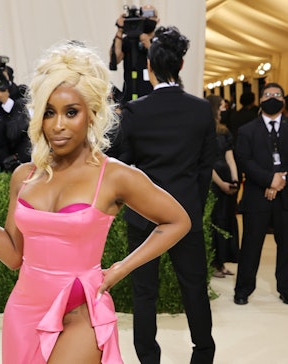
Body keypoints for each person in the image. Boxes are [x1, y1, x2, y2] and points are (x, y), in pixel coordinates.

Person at [0, 41, 191, 363]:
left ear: (92, 114)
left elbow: (177, 220)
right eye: (48, 112)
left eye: (70, 112)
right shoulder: (24, 175)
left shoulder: (115, 176)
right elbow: (14, 256)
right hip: (24, 310)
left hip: (81, 309)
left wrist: (119, 269)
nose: (58, 125)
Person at [116, 26, 216, 363]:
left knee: (145, 294)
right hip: (186, 215)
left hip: (143, 218)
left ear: (149, 67)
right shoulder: (202, 110)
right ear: (182, 65)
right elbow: (205, 168)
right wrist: (191, 209)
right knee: (194, 290)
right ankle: (203, 354)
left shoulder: (134, 111)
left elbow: (122, 166)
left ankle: (148, 360)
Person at [234, 82, 288, 305]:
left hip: (285, 196)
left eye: (277, 94)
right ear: (261, 99)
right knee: (251, 244)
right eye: (267, 94)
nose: (272, 97)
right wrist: (269, 179)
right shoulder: (247, 130)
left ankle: (285, 288)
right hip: (257, 196)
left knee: (286, 245)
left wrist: (281, 180)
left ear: (283, 100)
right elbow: (244, 160)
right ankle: (243, 290)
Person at [206, 94, 239, 278]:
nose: (224, 110)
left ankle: (223, 261)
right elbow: (206, 163)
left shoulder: (225, 131)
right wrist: (221, 183)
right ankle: (214, 263)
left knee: (227, 221)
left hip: (226, 179)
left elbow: (230, 158)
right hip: (213, 181)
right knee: (215, 221)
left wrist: (234, 181)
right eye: (221, 106)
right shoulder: (206, 130)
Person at [109, 4, 160, 106]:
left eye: (150, 14)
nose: (147, 18)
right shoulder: (129, 40)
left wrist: (149, 46)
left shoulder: (161, 41)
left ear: (157, 20)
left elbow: (164, 65)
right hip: (130, 96)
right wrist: (120, 30)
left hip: (153, 97)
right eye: (143, 14)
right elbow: (116, 58)